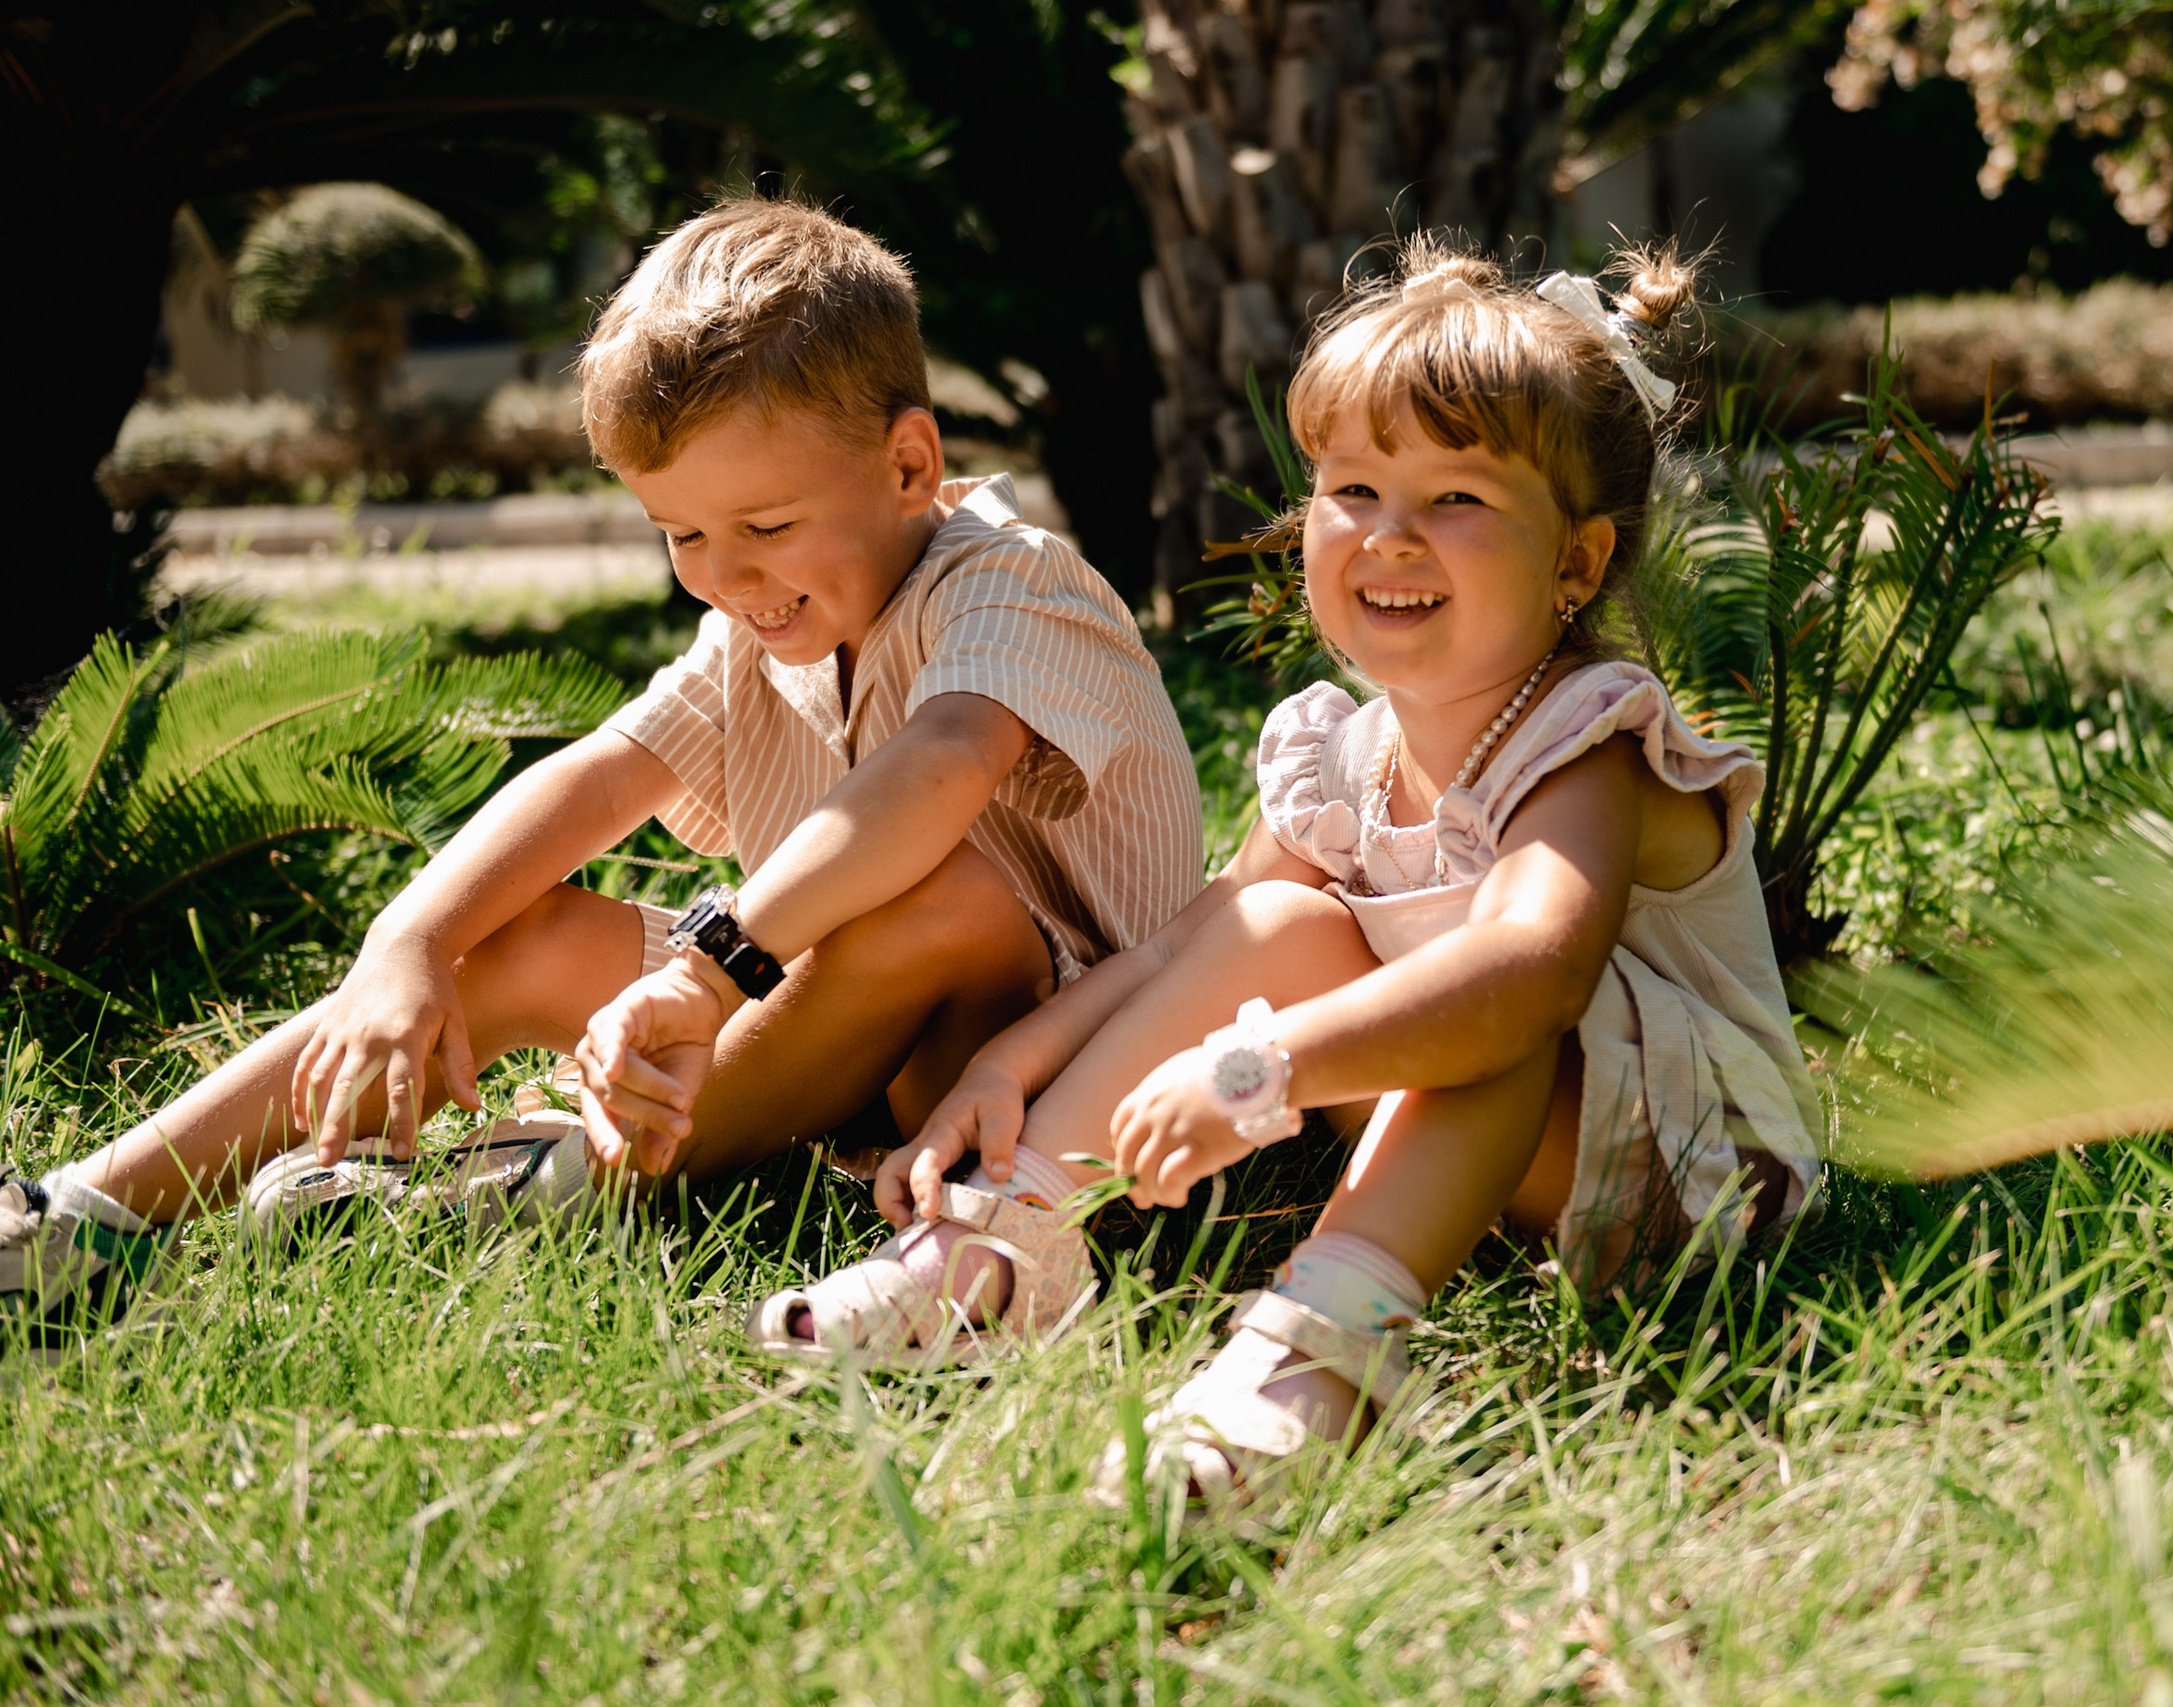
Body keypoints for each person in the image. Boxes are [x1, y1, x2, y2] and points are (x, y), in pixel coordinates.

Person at [713, 236, 1822, 1500]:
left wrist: (1263, 1069)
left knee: (1481, 1011)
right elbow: (1194, 946)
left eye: (1456, 500)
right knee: (1276, 920)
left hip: (1689, 1185)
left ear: (1575, 561)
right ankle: (1000, 1254)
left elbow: (1531, 975)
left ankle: (1314, 1362)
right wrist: (1011, 1065)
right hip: (1501, 1136)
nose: (1389, 538)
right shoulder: (1339, 754)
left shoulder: (1588, 742)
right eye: (1353, 490)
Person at [0, 197, 1202, 1349]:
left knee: (949, 899)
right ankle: (85, 1217)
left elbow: (941, 770)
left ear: (907, 465)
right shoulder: (760, 623)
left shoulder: (1011, 579)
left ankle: (565, 1172)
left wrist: (710, 974)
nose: (724, 575)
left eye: (765, 527)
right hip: (837, 1051)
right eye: (681, 534)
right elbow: (601, 771)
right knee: (528, 937)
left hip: (1048, 1076)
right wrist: (404, 944)